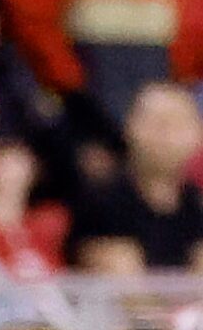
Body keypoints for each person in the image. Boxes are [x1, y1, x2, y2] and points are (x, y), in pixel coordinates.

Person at [69, 81, 203, 273]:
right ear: (129, 125)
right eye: (155, 122)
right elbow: (121, 283)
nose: (166, 134)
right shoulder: (101, 201)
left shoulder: (196, 205)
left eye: (178, 123)